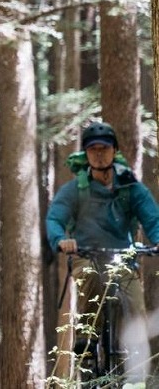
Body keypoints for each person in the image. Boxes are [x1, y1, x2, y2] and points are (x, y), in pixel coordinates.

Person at [46, 121, 159, 383]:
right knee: (90, 276)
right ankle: (86, 342)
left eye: (104, 149)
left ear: (114, 151)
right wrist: (62, 239)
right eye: (93, 149)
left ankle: (135, 370)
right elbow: (55, 218)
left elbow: (152, 217)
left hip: (123, 259)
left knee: (135, 305)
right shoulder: (76, 189)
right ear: (86, 154)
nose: (99, 154)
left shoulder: (129, 187)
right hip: (87, 254)